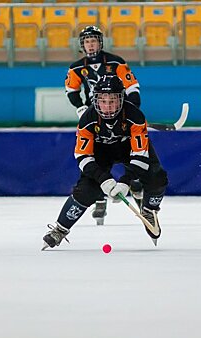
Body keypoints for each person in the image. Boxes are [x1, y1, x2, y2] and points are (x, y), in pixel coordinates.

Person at [43, 75, 168, 250]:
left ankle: (149, 209)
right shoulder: (87, 119)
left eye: (113, 101)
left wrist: (125, 182)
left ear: (121, 99)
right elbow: (82, 156)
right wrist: (103, 179)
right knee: (86, 190)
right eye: (103, 100)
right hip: (101, 152)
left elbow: (140, 154)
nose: (108, 106)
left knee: (157, 176)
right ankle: (60, 229)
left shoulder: (135, 116)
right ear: (95, 100)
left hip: (128, 148)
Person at [65, 25, 142, 225]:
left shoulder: (116, 62)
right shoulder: (76, 66)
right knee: (94, 155)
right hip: (95, 116)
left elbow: (131, 86)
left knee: (129, 148)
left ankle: (135, 182)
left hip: (118, 112)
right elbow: (72, 90)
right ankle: (99, 197)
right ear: (83, 45)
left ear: (100, 42)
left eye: (94, 40)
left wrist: (131, 110)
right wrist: (81, 108)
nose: (91, 44)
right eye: (87, 41)